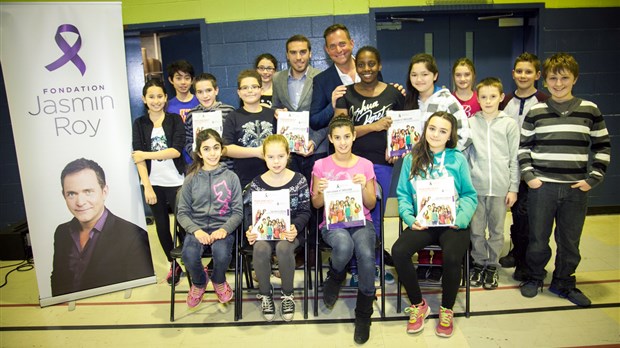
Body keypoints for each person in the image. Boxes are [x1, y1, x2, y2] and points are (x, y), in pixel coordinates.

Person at [518, 53, 611, 308]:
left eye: (564, 78)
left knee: (569, 240)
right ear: (545, 81)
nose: (558, 84)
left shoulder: (590, 110)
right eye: (552, 79)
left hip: (575, 190)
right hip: (542, 188)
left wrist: (593, 179)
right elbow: (524, 148)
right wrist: (530, 177)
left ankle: (564, 282)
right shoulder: (536, 111)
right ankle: (535, 277)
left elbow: (603, 147)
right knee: (537, 238)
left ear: (575, 79)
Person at [391, 111, 477, 338]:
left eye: (443, 131)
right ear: (425, 130)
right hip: (424, 223)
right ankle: (419, 306)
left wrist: (461, 220)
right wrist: (410, 219)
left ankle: (447, 309)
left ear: (450, 136)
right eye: (432, 128)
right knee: (398, 251)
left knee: (451, 257)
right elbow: (402, 195)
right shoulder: (411, 159)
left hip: (453, 224)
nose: (436, 134)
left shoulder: (457, 158)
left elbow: (469, 195)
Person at [334, 45, 403, 286]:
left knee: (375, 217)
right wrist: (373, 126)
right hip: (351, 164)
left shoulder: (395, 94)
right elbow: (341, 128)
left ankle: (374, 264)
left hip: (383, 163)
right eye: (361, 64)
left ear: (379, 65)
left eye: (371, 63)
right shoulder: (347, 93)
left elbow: (403, 127)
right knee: (353, 215)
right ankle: (355, 269)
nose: (366, 69)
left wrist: (397, 148)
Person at [404, 53, 472, 282]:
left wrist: (443, 157)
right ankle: (425, 262)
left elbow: (463, 134)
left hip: (445, 175)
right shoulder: (411, 102)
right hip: (419, 172)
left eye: (425, 74)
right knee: (421, 209)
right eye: (414, 74)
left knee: (443, 217)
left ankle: (442, 264)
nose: (419, 79)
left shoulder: (446, 101)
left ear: (435, 75)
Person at [311, 116, 377, 344]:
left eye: (346, 137)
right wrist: (319, 191)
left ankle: (363, 314)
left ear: (354, 136)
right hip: (332, 223)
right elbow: (317, 205)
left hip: (361, 221)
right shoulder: (320, 165)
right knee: (344, 245)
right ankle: (336, 276)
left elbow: (371, 204)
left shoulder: (365, 165)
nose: (342, 142)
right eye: (337, 138)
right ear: (330, 139)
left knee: (367, 256)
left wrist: (362, 187)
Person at [51, 158, 154, 296]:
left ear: (104, 192)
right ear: (63, 195)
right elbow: (58, 279)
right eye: (71, 194)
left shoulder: (133, 236)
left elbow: (142, 290)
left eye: (88, 191)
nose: (80, 202)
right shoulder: (61, 232)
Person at [245, 134, 311, 322]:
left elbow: (305, 211)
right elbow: (251, 213)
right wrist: (251, 229)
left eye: (280, 156)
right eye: (271, 157)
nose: (276, 162)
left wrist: (295, 228)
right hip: (265, 233)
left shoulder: (299, 180)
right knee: (260, 247)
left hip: (291, 232)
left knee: (283, 247)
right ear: (264, 157)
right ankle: (266, 294)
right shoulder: (257, 183)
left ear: (288, 155)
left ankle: (287, 294)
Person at [498, 52, 549, 280]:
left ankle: (525, 262)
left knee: (526, 217)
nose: (523, 75)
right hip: (509, 169)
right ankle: (516, 252)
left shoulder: (545, 101)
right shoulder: (505, 101)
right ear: (513, 74)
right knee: (515, 215)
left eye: (528, 71)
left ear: (537, 75)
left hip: (532, 169)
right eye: (519, 71)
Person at [464, 77, 519, 290]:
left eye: (493, 97)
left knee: (496, 230)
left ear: (501, 98)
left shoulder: (509, 124)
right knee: (476, 229)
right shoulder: (471, 123)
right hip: (475, 187)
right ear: (477, 98)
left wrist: (513, 188)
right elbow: (465, 155)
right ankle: (479, 262)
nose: (488, 101)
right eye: (484, 97)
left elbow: (514, 158)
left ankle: (492, 265)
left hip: (500, 187)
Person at [178, 129, 243, 308]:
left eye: (216, 147)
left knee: (222, 254)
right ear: (199, 153)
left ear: (222, 149)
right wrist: (196, 231)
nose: (212, 153)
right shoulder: (191, 179)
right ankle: (199, 282)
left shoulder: (231, 178)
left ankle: (218, 279)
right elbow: (182, 212)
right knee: (189, 255)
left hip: (222, 228)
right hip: (197, 229)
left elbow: (237, 212)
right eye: (206, 149)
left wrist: (224, 229)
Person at [132, 79, 185, 285]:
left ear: (165, 98)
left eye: (160, 96)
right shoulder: (140, 123)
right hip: (154, 183)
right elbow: (138, 160)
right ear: (144, 99)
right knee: (162, 226)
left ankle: (189, 259)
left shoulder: (174, 120)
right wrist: (147, 186)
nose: (156, 100)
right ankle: (173, 264)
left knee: (183, 225)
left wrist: (145, 153)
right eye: (151, 97)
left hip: (176, 181)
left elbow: (176, 151)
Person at [272, 34, 326, 184]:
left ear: (310, 53)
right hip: (289, 151)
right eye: (293, 52)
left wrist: (314, 142)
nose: (298, 57)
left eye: (302, 52)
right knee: (293, 197)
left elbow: (328, 116)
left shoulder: (322, 77)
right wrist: (276, 111)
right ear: (287, 55)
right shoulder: (277, 79)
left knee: (316, 199)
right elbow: (275, 106)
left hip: (316, 148)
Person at [222, 69, 276, 188]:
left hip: (274, 176)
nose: (250, 90)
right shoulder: (233, 116)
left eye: (254, 86)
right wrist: (256, 152)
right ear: (239, 92)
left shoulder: (274, 114)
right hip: (245, 179)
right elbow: (226, 148)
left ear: (261, 90)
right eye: (245, 88)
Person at [184, 73, 235, 167]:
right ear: (195, 94)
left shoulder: (229, 111)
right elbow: (188, 141)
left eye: (209, 90)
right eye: (200, 92)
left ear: (216, 90)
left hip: (226, 166)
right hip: (201, 167)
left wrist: (223, 152)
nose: (205, 96)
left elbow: (233, 140)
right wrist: (198, 156)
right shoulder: (191, 114)